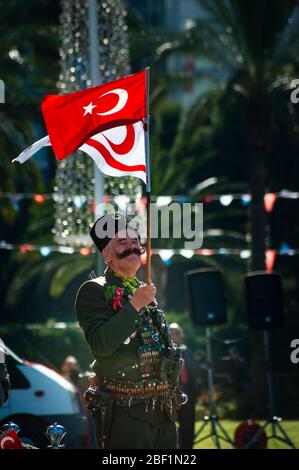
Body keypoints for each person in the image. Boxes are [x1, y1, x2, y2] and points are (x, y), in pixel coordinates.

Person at [75, 213, 184, 449]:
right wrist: (135, 304)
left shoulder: (143, 290)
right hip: (127, 412)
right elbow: (101, 345)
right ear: (106, 255)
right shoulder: (93, 290)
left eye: (135, 242)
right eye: (123, 243)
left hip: (164, 410)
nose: (132, 247)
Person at [169, 323, 199, 449]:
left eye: (179, 333)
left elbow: (194, 372)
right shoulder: (166, 351)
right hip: (170, 394)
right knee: (170, 427)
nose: (178, 335)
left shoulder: (188, 351)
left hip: (188, 394)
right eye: (175, 333)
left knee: (188, 427)